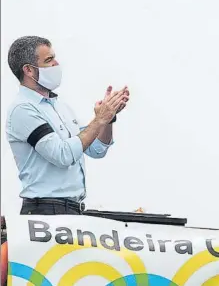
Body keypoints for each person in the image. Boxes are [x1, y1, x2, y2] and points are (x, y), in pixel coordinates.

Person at [5, 36, 130, 215]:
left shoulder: (59, 106)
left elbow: (96, 149)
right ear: (29, 70)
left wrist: (108, 119)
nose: (57, 64)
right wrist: (99, 120)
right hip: (45, 211)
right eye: (49, 60)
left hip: (72, 210)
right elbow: (62, 155)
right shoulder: (22, 109)